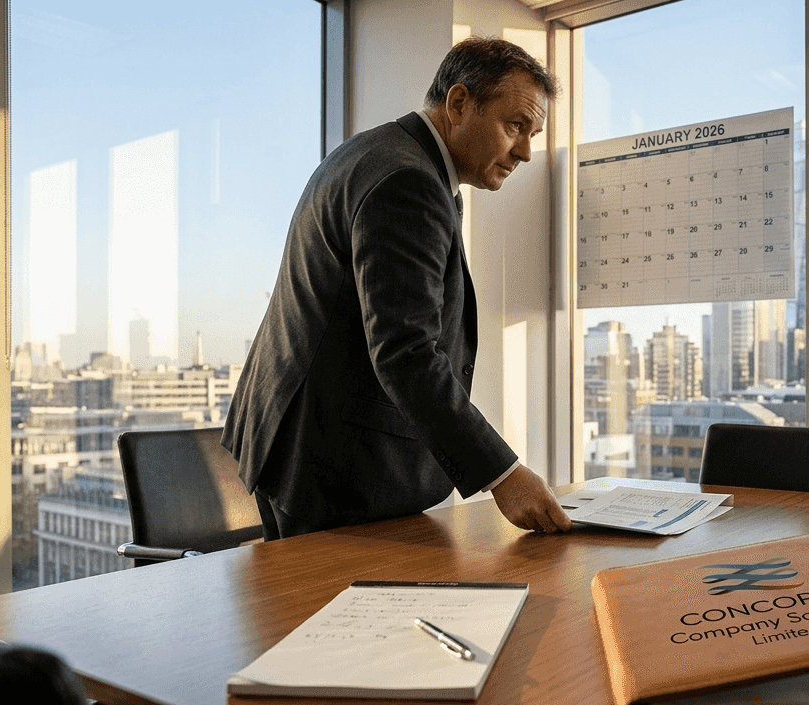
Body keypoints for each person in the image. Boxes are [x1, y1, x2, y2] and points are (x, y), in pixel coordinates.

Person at [222, 37, 571, 540]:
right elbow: (406, 352)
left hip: (302, 446)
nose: (526, 152)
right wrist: (504, 475)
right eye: (515, 125)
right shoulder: (408, 180)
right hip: (333, 467)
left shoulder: (379, 152)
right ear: (457, 104)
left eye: (533, 133)